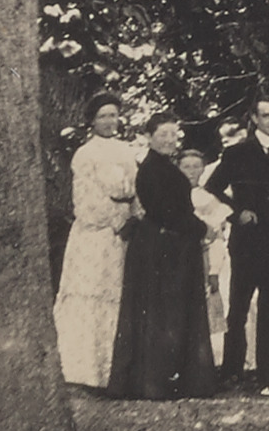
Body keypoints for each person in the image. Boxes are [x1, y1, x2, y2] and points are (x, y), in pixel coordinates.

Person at [108, 114, 220, 401]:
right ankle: (154, 381)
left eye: (173, 134)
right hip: (162, 248)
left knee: (170, 312)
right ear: (149, 137)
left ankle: (172, 377)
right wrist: (201, 228)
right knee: (161, 313)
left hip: (172, 244)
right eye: (163, 135)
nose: (170, 140)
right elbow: (165, 212)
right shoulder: (150, 169)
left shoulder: (164, 166)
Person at [204, 95, 269, 385]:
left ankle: (267, 373)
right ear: (254, 119)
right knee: (238, 308)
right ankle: (233, 369)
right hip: (247, 243)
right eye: (266, 115)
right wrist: (237, 212)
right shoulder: (238, 152)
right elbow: (212, 187)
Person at [53, 93, 140, 390]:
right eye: (103, 116)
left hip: (125, 231)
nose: (109, 121)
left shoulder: (126, 150)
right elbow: (86, 198)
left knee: (120, 292)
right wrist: (116, 221)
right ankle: (86, 371)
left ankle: (118, 369)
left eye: (113, 115)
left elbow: (136, 188)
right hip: (97, 233)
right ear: (92, 120)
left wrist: (135, 216)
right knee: (92, 291)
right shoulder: (85, 154)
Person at [181, 143, 231, 342]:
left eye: (196, 167)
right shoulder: (172, 196)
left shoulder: (208, 199)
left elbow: (217, 238)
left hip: (203, 261)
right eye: (186, 167)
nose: (191, 171)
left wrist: (214, 271)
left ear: (203, 169)